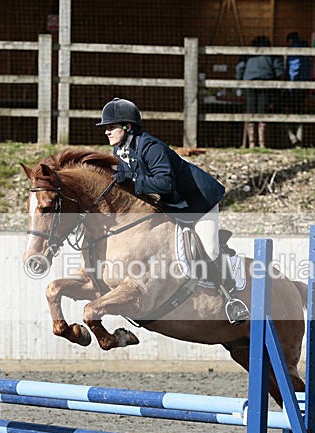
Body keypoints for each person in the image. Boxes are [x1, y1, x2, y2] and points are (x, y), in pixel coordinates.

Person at [96, 97, 249, 324]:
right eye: (106, 128)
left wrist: (133, 178)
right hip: (171, 205)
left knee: (210, 249)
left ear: (127, 126)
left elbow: (164, 183)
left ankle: (233, 299)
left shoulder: (151, 147)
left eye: (111, 127)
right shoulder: (121, 150)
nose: (106, 132)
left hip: (198, 204)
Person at [235, 36, 284, 148]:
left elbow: (240, 68)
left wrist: (239, 82)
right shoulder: (272, 54)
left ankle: (252, 143)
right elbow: (279, 70)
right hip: (265, 84)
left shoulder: (247, 53)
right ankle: (262, 143)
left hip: (249, 83)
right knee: (262, 113)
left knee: (251, 112)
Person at [285, 32, 312, 146]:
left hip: (294, 86)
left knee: (288, 112)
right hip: (305, 85)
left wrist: (290, 84)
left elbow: (294, 68)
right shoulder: (307, 51)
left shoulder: (294, 51)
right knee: (300, 111)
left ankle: (294, 138)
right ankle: (299, 138)